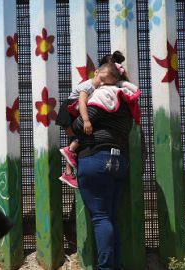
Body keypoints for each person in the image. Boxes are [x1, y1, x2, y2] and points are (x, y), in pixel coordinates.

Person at [71, 54, 141, 269]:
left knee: (101, 218)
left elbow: (78, 126)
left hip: (96, 159)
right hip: (118, 161)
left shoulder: (103, 96)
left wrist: (75, 116)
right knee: (110, 217)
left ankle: (106, 268)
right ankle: (114, 266)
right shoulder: (125, 101)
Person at [56, 51, 129, 188]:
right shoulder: (88, 86)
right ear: (96, 71)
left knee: (78, 137)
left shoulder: (97, 86)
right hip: (68, 110)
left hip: (74, 109)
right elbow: (82, 103)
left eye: (105, 82)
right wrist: (87, 120)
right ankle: (69, 163)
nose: (102, 83)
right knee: (77, 136)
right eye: (102, 79)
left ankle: (68, 171)